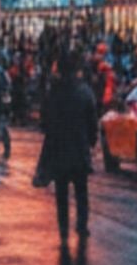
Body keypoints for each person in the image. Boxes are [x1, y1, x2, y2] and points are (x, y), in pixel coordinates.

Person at [38, 62, 99, 245]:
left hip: (60, 148)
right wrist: (91, 141)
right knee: (81, 190)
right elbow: (92, 121)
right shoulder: (85, 92)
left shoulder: (53, 93)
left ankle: (63, 227)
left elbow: (44, 122)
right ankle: (82, 224)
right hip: (79, 148)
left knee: (62, 193)